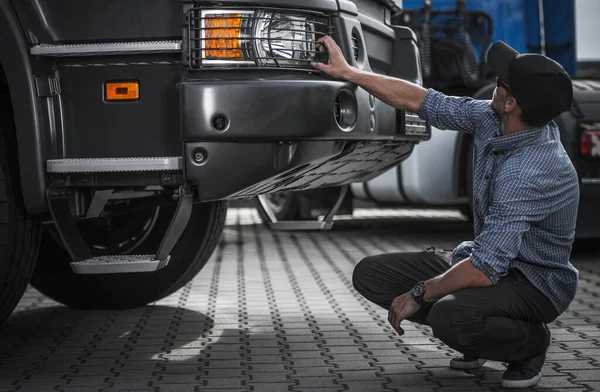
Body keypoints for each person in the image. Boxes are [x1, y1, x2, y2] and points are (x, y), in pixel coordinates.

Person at [312, 37, 580, 389]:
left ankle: (528, 344)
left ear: (511, 102)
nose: (493, 82)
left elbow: (484, 270)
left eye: (500, 82)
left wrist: (420, 293)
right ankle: (481, 331)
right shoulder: (490, 118)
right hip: (488, 262)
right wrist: (351, 72)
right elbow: (422, 100)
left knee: (449, 315)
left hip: (533, 283)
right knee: (371, 275)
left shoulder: (530, 171)